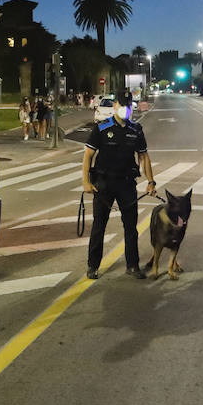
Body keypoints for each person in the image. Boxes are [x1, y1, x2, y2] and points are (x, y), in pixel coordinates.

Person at [81, 90, 155, 279]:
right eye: (122, 105)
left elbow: (144, 157)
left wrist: (151, 182)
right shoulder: (102, 128)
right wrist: (86, 182)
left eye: (128, 106)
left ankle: (132, 265)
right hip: (103, 184)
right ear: (115, 106)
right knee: (99, 225)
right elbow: (88, 156)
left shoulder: (136, 129)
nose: (125, 109)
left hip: (126, 184)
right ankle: (93, 266)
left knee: (131, 227)